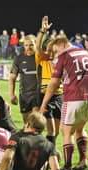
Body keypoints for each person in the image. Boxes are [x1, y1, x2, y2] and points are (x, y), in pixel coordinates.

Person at [40, 36, 88, 170]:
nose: (54, 54)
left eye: (55, 50)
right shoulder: (87, 54)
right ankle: (83, 160)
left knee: (67, 132)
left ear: (61, 44)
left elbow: (53, 84)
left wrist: (44, 104)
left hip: (73, 98)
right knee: (80, 129)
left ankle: (67, 166)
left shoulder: (64, 56)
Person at [35, 16, 62, 146]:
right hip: (46, 95)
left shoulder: (62, 60)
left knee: (56, 132)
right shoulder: (43, 58)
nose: (51, 50)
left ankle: (47, 149)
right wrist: (42, 31)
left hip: (59, 96)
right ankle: (49, 154)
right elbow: (38, 46)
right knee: (51, 130)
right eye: (49, 47)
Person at [9, 35, 39, 124]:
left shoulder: (40, 58)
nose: (28, 47)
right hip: (24, 95)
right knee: (26, 123)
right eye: (26, 45)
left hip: (38, 94)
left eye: (31, 45)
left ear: (36, 44)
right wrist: (12, 94)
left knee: (35, 121)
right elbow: (12, 78)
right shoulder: (19, 58)